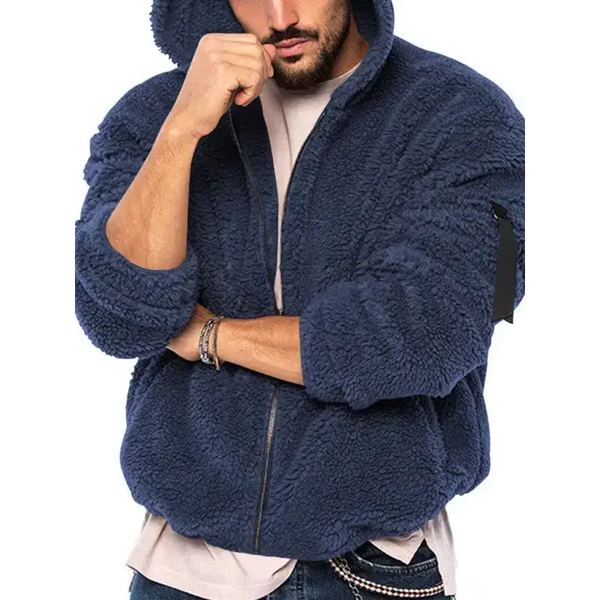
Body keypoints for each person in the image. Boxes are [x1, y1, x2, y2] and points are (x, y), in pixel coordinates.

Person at [73, 0, 527, 598]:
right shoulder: (152, 115)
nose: (281, 15)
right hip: (183, 566)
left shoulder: (469, 117)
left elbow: (435, 332)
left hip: (375, 567)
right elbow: (117, 315)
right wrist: (181, 131)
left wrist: (209, 335)